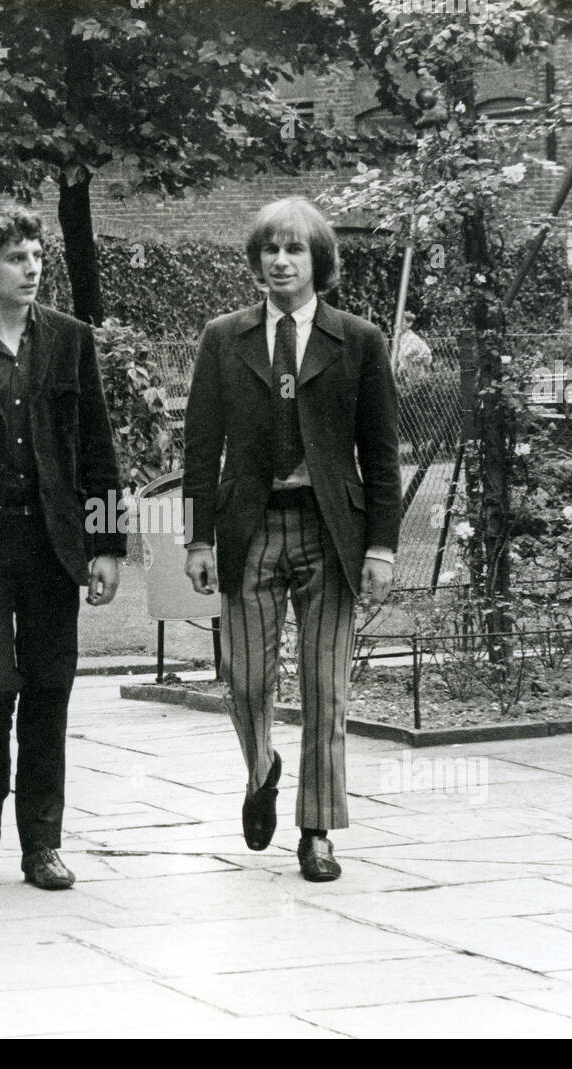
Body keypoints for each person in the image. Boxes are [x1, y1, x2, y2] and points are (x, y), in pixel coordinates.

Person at [181, 197, 401, 882]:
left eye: (294, 250)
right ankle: (262, 767)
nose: (280, 261)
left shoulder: (358, 340)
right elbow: (200, 445)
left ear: (318, 262)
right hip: (250, 529)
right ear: (257, 260)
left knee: (324, 687)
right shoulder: (225, 337)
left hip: (330, 532)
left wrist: (383, 547)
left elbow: (382, 452)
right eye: (270, 250)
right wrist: (196, 540)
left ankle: (317, 833)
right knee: (245, 680)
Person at [0, 206, 125, 891]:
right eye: (16, 258)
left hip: (50, 543)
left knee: (48, 686)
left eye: (37, 256)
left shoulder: (69, 340)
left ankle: (42, 842)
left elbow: (98, 445)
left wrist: (106, 544)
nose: (33, 267)